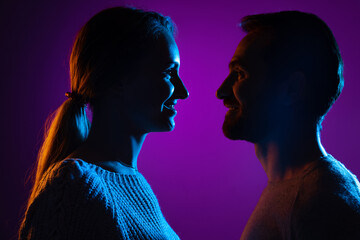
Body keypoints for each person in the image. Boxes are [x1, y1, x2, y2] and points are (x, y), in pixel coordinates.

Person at [19, 7, 188, 240]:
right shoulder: (73, 185)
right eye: (169, 73)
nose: (183, 92)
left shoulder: (131, 184)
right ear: (118, 79)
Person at [216, 11, 360, 239]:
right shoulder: (300, 190)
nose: (222, 91)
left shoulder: (320, 203)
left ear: (292, 90)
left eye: (240, 74)